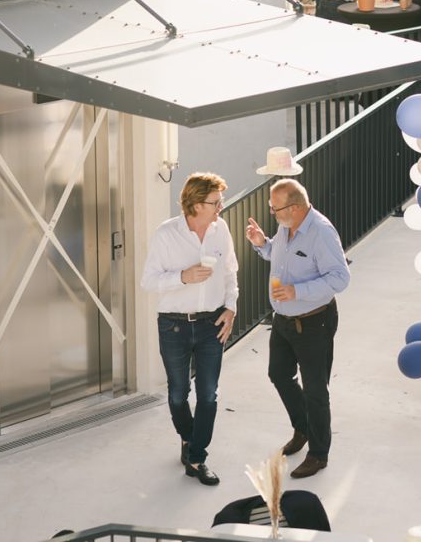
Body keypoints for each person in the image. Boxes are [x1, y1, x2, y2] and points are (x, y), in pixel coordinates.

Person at [244, 179, 350, 479]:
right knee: (278, 374)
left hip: (314, 321)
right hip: (283, 321)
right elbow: (278, 256)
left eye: (274, 208)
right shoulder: (285, 226)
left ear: (294, 207)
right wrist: (261, 243)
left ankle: (319, 454)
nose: (271, 212)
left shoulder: (321, 232)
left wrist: (297, 291)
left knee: (316, 389)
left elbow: (340, 279)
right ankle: (303, 428)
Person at [140, 172, 239, 486]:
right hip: (174, 327)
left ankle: (196, 458)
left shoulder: (220, 229)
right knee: (179, 394)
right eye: (215, 202)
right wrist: (182, 277)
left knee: (208, 395)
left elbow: (230, 272)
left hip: (212, 325)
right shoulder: (166, 235)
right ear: (195, 204)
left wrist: (231, 307)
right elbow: (149, 281)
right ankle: (187, 436)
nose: (220, 206)